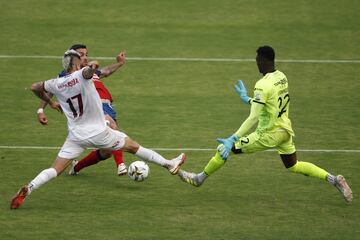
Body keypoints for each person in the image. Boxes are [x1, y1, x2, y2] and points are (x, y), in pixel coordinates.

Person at [10, 50, 185, 209]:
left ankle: (30, 187)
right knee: (133, 146)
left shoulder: (56, 83)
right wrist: (92, 67)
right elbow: (88, 72)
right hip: (98, 132)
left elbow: (34, 87)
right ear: (75, 63)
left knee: (55, 169)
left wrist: (49, 103)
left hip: (76, 136)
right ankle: (169, 164)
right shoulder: (81, 74)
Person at [178, 45, 353, 203]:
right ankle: (334, 180)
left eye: (257, 60)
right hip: (285, 130)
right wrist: (248, 99)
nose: (256, 64)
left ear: (264, 60)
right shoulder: (282, 77)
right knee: (293, 165)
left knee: (223, 149)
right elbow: (269, 104)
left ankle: (199, 179)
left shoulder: (262, 84)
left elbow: (254, 117)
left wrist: (233, 138)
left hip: (268, 134)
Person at [37, 44, 128, 176]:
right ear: (72, 58)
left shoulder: (89, 71)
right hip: (92, 109)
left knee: (107, 152)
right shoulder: (67, 75)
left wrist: (119, 63)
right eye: (81, 54)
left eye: (86, 54)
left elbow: (106, 71)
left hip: (107, 107)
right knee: (113, 128)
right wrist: (41, 110)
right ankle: (121, 164)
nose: (85, 57)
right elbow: (49, 90)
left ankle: (76, 167)